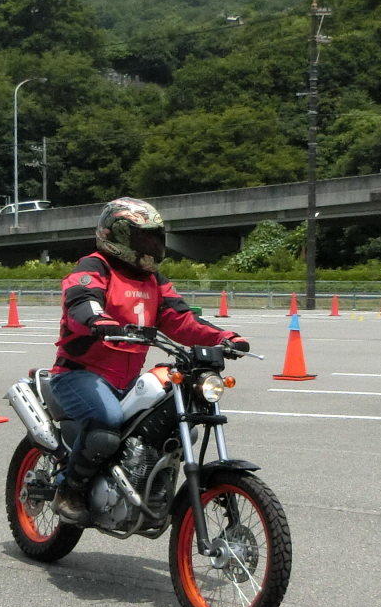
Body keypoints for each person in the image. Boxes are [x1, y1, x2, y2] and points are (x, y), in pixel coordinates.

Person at [50, 199, 248, 525]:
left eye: (154, 238)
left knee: (173, 418)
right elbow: (81, 301)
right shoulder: (95, 265)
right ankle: (70, 490)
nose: (151, 246)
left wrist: (224, 337)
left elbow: (181, 318)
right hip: (79, 374)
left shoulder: (153, 280)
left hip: (125, 380)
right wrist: (99, 321)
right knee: (106, 423)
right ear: (116, 236)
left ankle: (149, 485)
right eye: (143, 239)